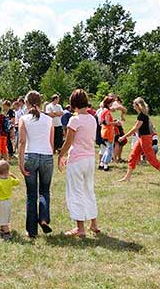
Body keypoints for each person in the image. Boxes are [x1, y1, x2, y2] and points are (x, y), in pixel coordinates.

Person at [58, 89, 99, 238]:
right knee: (89, 190)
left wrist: (60, 155)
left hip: (77, 160)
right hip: (89, 158)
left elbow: (68, 142)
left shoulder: (74, 120)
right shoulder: (92, 118)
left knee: (76, 192)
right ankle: (94, 223)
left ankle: (80, 228)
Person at [18, 90, 54, 238]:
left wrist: (20, 163)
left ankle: (31, 230)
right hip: (47, 156)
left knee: (31, 194)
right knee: (44, 191)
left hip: (30, 155)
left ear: (27, 103)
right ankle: (44, 219)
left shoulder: (24, 119)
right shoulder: (49, 120)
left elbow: (22, 142)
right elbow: (51, 143)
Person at [118, 97, 160, 186]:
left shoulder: (142, 116)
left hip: (145, 139)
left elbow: (135, 128)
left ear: (138, 106)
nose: (133, 107)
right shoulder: (142, 115)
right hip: (141, 138)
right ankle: (127, 177)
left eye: (134, 105)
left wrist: (123, 137)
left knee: (151, 158)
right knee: (133, 155)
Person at [99, 96, 121, 171]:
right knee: (110, 149)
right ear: (109, 103)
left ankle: (101, 163)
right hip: (108, 131)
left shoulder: (103, 110)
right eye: (112, 102)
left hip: (104, 131)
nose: (112, 104)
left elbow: (104, 122)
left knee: (107, 148)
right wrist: (115, 123)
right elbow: (108, 122)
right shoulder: (107, 112)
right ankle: (106, 164)